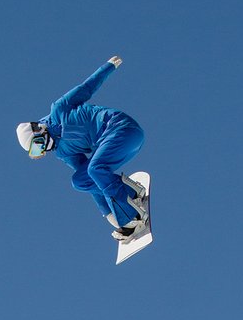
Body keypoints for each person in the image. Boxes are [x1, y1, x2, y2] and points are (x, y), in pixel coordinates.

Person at [16, 56, 147, 238]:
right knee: (80, 180)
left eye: (38, 144)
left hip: (122, 129)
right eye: (37, 151)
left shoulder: (60, 109)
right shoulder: (62, 152)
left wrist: (108, 67)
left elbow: (86, 88)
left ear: (39, 129)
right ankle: (130, 195)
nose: (43, 148)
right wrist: (108, 214)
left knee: (96, 169)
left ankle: (132, 216)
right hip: (117, 146)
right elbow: (89, 179)